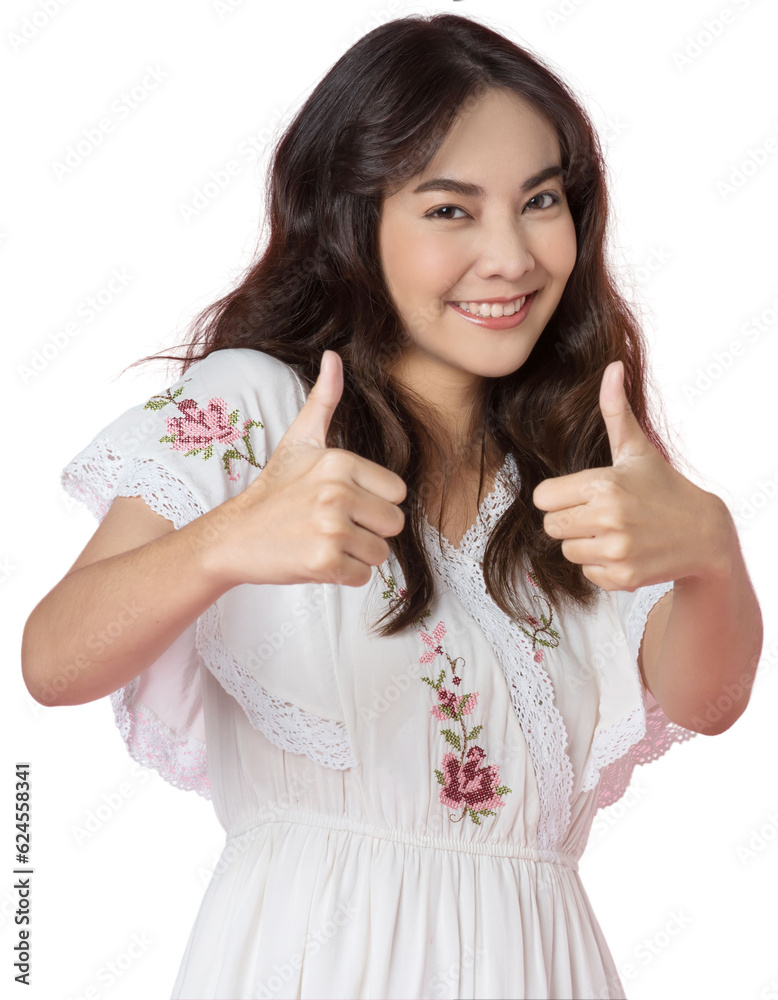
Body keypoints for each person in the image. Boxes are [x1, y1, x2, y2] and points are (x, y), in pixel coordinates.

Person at [21, 12, 762, 1000]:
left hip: (544, 968)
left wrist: (713, 553)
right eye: (449, 209)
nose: (511, 255)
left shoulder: (578, 457)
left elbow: (708, 705)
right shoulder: (255, 401)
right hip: (315, 961)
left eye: (540, 201)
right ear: (352, 219)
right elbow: (50, 660)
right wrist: (224, 542)